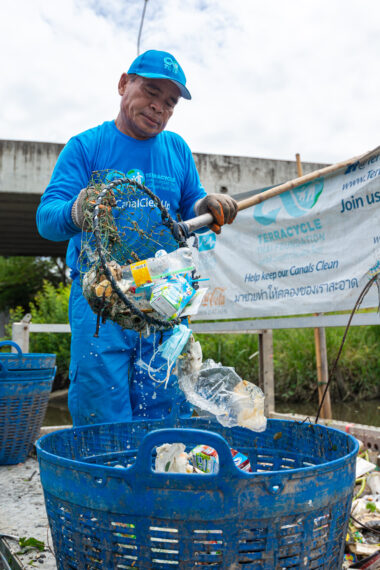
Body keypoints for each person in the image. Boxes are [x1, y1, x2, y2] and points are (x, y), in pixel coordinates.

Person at [37, 49, 237, 426]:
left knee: (164, 407)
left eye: (170, 102)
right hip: (102, 302)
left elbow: (192, 203)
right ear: (123, 83)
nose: (158, 107)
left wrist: (208, 204)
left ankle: (163, 479)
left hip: (164, 302)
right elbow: (46, 219)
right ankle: (104, 481)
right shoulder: (86, 146)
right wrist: (78, 210)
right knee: (102, 413)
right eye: (150, 91)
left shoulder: (176, 148)